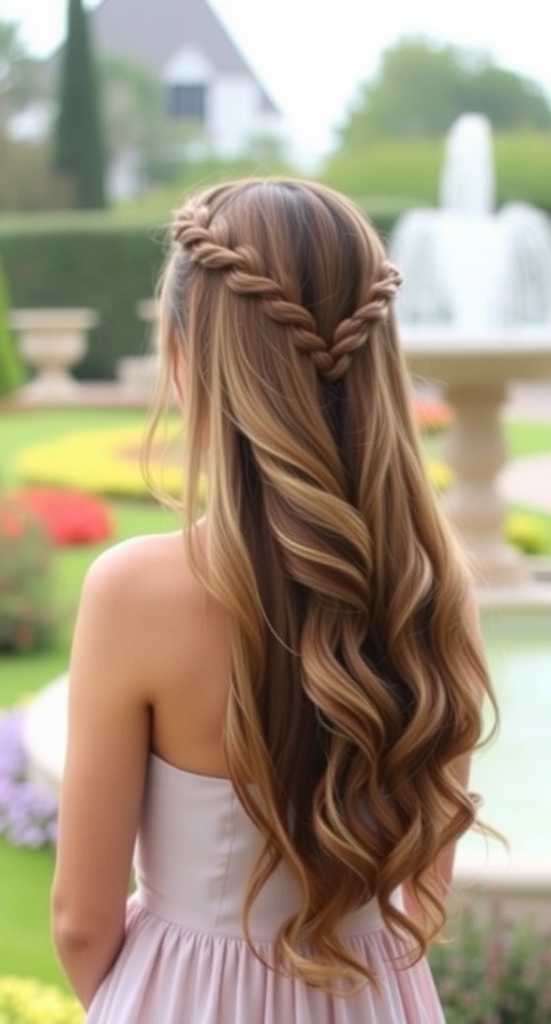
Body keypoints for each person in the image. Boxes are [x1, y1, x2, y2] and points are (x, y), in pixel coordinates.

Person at [51, 179, 497, 1023]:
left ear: (189, 359)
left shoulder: (136, 591)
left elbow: (82, 921)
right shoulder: (435, 590)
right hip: (376, 996)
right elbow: (425, 885)